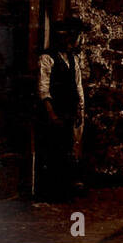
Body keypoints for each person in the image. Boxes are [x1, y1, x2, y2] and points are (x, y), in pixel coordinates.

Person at [35, 17, 85, 201]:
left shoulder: (73, 60)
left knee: (67, 149)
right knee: (52, 150)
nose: (69, 42)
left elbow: (77, 85)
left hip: (69, 111)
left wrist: (79, 110)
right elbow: (43, 89)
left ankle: (65, 188)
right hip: (55, 111)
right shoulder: (47, 59)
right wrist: (51, 113)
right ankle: (51, 191)